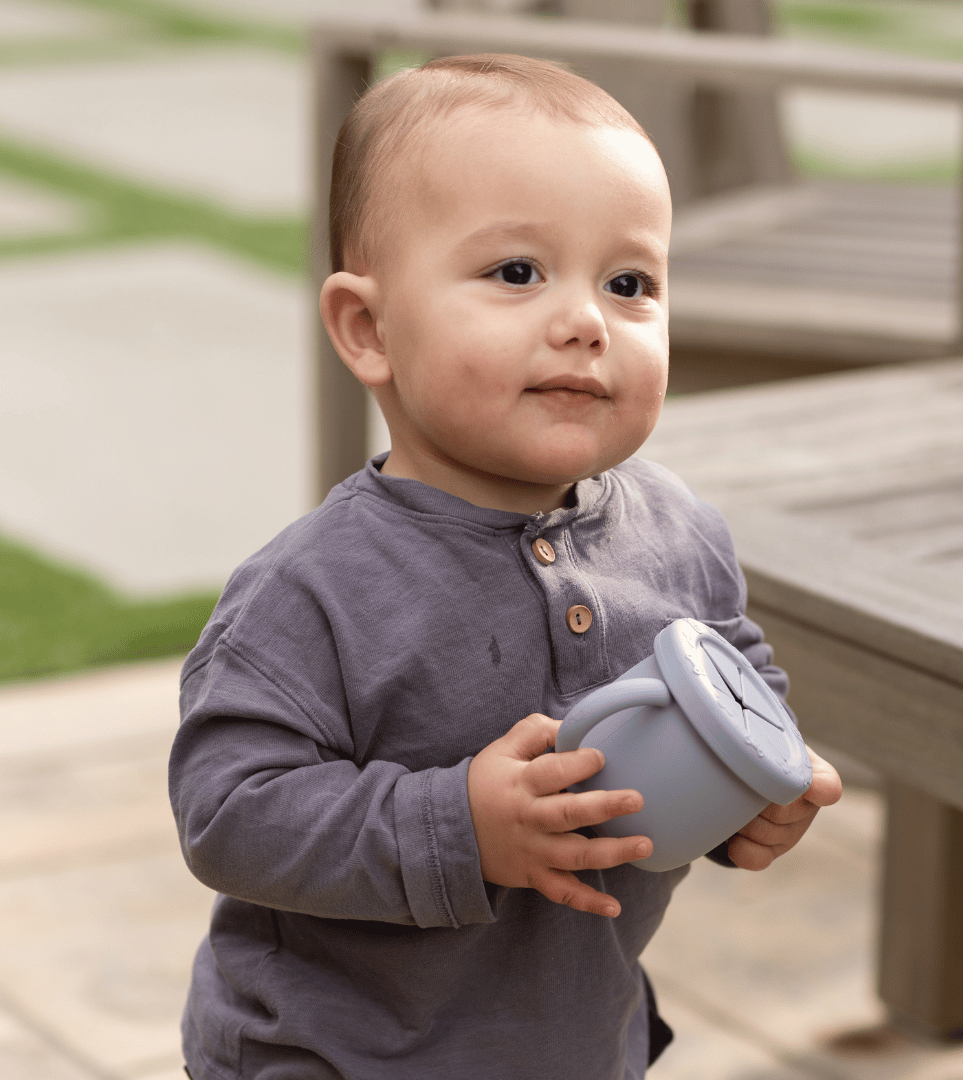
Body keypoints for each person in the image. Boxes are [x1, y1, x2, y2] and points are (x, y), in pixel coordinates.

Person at [169, 53, 842, 1080]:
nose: (585, 321)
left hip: (568, 1038)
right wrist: (458, 827)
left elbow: (729, 677)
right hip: (338, 1052)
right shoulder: (313, 592)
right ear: (369, 327)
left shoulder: (678, 531)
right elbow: (229, 813)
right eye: (517, 273)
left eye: (630, 284)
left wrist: (753, 789)